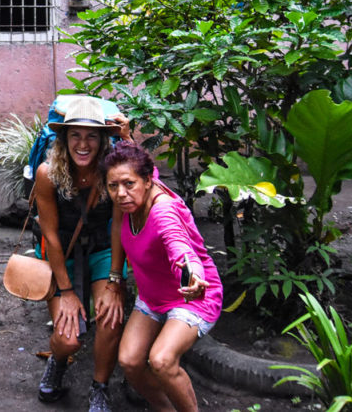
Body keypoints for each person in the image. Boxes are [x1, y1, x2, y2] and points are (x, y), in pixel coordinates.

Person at [103, 142, 223, 412]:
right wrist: (114, 279)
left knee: (161, 359)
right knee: (130, 361)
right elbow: (132, 162)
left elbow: (179, 245)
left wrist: (192, 273)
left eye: (128, 184)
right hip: (152, 296)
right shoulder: (131, 193)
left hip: (192, 297)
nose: (121, 194)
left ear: (147, 181)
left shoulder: (163, 211)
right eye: (113, 186)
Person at [33, 95, 131, 412]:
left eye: (91, 135)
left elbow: (118, 227)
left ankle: (99, 387)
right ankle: (58, 362)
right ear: (64, 138)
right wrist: (66, 291)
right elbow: (50, 235)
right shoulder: (48, 174)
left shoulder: (112, 170)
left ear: (103, 139)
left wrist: (115, 282)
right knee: (69, 338)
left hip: (103, 248)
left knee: (111, 318)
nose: (83, 144)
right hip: (63, 252)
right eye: (75, 135)